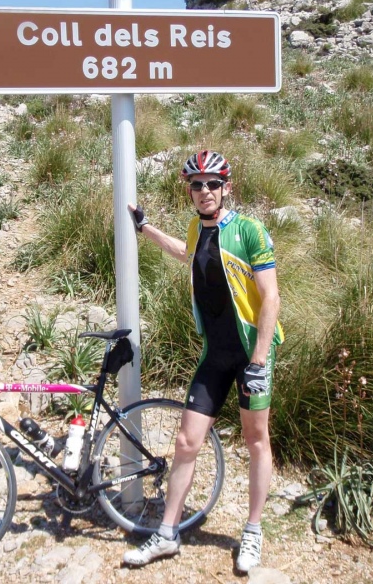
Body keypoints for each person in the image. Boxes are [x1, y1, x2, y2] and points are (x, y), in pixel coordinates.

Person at [122, 150, 284, 572]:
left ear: (227, 187)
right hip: (216, 354)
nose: (205, 191)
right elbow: (185, 251)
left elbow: (271, 297)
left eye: (213, 183)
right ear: (190, 191)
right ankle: (167, 533)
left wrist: (259, 360)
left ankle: (251, 531)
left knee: (256, 440)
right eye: (197, 184)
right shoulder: (197, 227)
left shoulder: (249, 230)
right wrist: (145, 227)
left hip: (251, 354)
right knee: (185, 442)